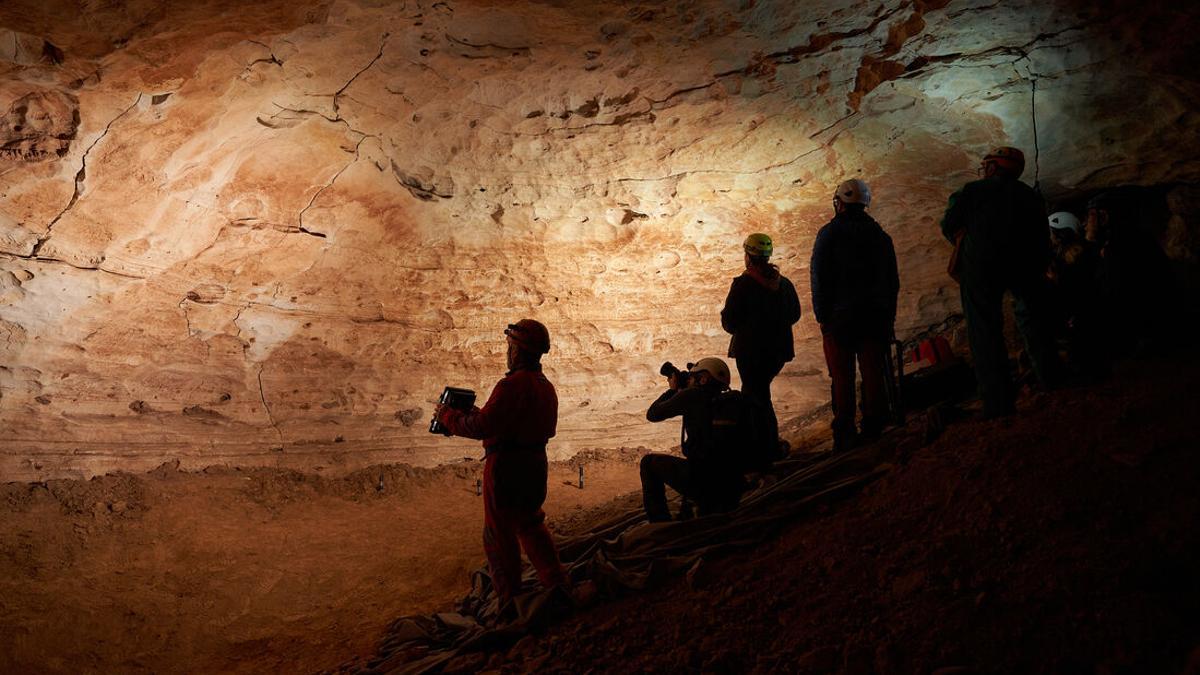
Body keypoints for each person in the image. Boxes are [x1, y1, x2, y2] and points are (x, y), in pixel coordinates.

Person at [434, 319, 568, 606]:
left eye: (509, 346)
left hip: (507, 467)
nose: (507, 352)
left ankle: (509, 601)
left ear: (518, 351)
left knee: (499, 533)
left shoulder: (511, 385)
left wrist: (448, 417)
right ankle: (556, 581)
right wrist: (474, 414)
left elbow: (483, 426)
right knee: (531, 524)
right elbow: (507, 421)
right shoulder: (546, 387)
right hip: (535, 464)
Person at [940, 146, 1060, 418]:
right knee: (1035, 321)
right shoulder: (1031, 196)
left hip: (981, 267)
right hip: (1025, 265)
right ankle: (1052, 379)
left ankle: (998, 402)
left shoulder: (972, 191)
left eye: (987, 165)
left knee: (984, 330)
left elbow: (949, 223)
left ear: (993, 167)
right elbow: (1042, 237)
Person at [810, 178, 900, 451]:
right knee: (873, 373)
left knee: (842, 376)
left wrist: (822, 316)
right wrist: (889, 316)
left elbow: (819, 276)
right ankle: (874, 426)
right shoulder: (880, 236)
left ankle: (845, 433)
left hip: (840, 317)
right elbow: (891, 280)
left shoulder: (829, 234)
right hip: (874, 316)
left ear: (840, 203)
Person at [720, 233, 802, 447]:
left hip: (751, 353)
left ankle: (765, 445)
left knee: (756, 397)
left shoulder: (743, 284)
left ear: (748, 255)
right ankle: (764, 443)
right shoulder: (784, 284)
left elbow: (729, 322)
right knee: (759, 394)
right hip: (778, 352)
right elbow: (794, 314)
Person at [640, 357, 746, 522]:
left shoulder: (693, 395)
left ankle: (659, 523)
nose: (690, 380)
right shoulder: (730, 401)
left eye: (693, 377)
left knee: (648, 463)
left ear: (703, 379)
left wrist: (674, 390)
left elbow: (653, 414)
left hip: (707, 484)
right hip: (733, 486)